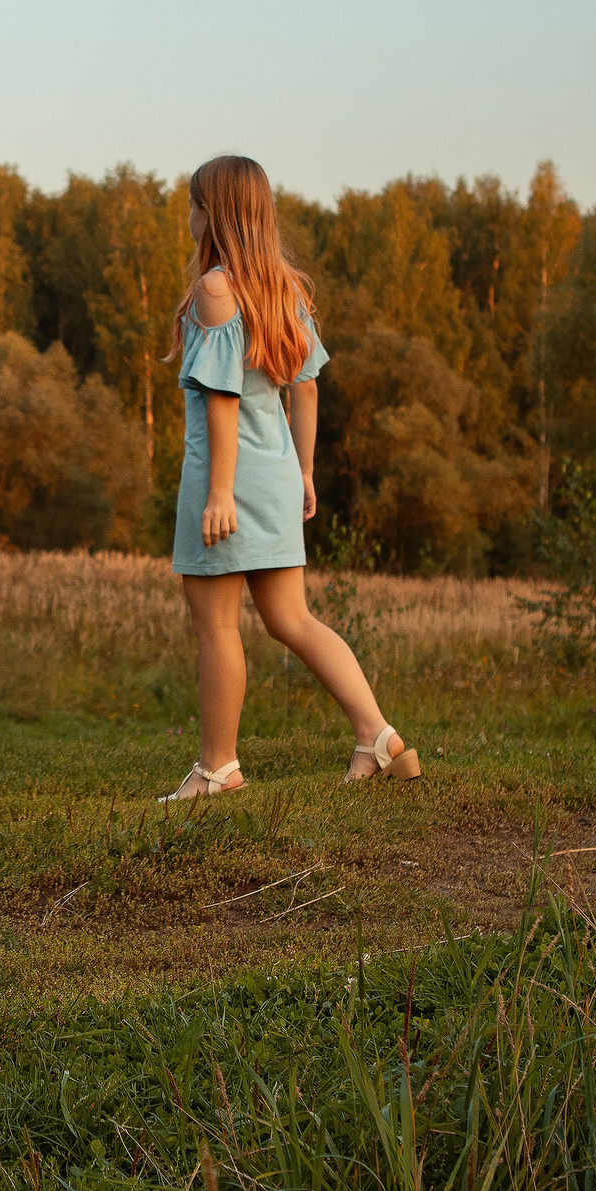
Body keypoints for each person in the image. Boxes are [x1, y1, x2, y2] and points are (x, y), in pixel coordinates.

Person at [163, 155, 419, 798]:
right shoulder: (282, 287)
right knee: (293, 619)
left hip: (227, 482)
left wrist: (219, 491)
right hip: (275, 475)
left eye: (193, 203)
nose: (187, 215)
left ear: (213, 213)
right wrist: (304, 471)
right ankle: (377, 738)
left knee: (217, 626)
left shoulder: (215, 291)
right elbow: (304, 391)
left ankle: (218, 768)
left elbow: (222, 399)